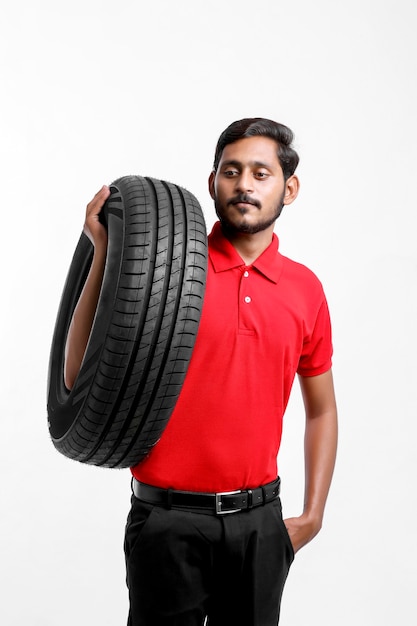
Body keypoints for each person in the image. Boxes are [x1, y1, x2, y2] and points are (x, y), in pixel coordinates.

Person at [64, 118, 338, 625]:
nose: (245, 186)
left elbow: (321, 408)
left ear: (289, 188)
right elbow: (79, 375)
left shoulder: (306, 290)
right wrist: (103, 249)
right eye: (231, 172)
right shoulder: (167, 272)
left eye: (261, 173)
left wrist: (312, 515)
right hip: (166, 523)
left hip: (260, 524)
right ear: (213, 183)